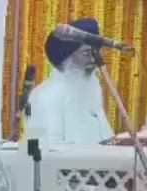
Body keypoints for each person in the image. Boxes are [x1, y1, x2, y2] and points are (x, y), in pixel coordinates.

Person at [25, 18, 115, 146]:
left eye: (97, 51)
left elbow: (105, 138)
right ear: (69, 58)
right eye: (86, 53)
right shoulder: (47, 94)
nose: (95, 58)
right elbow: (49, 149)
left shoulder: (93, 87)